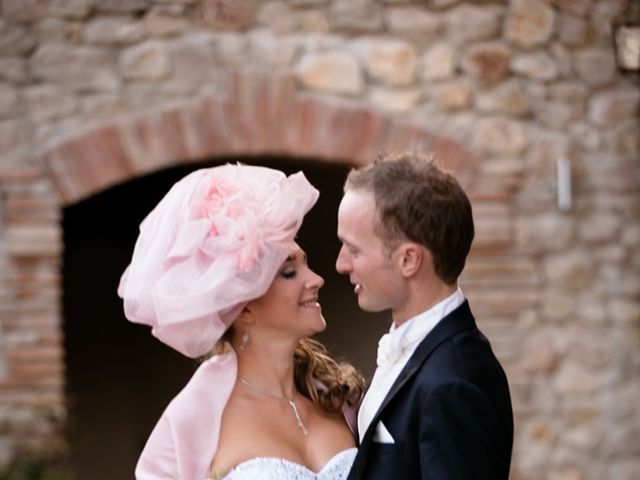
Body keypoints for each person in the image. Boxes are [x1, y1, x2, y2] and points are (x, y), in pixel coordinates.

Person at [118, 164, 364, 480]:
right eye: (289, 272)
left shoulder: (339, 399)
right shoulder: (197, 419)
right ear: (244, 309)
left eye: (307, 265)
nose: (316, 279)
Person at [335, 151, 513, 479]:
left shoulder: (454, 383)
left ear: (409, 260)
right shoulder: (419, 351)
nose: (341, 264)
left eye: (354, 250)